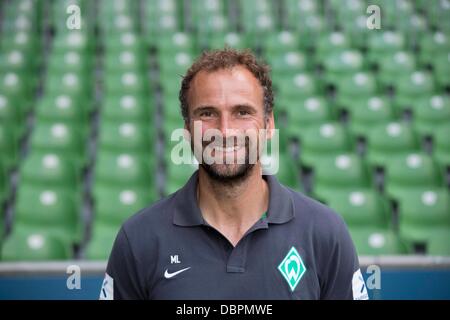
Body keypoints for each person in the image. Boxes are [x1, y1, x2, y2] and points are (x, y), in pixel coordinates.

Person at [100, 48, 368, 300]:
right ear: (187, 130)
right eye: (207, 113)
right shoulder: (138, 239)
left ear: (268, 124)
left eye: (242, 112)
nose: (225, 131)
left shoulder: (325, 233)